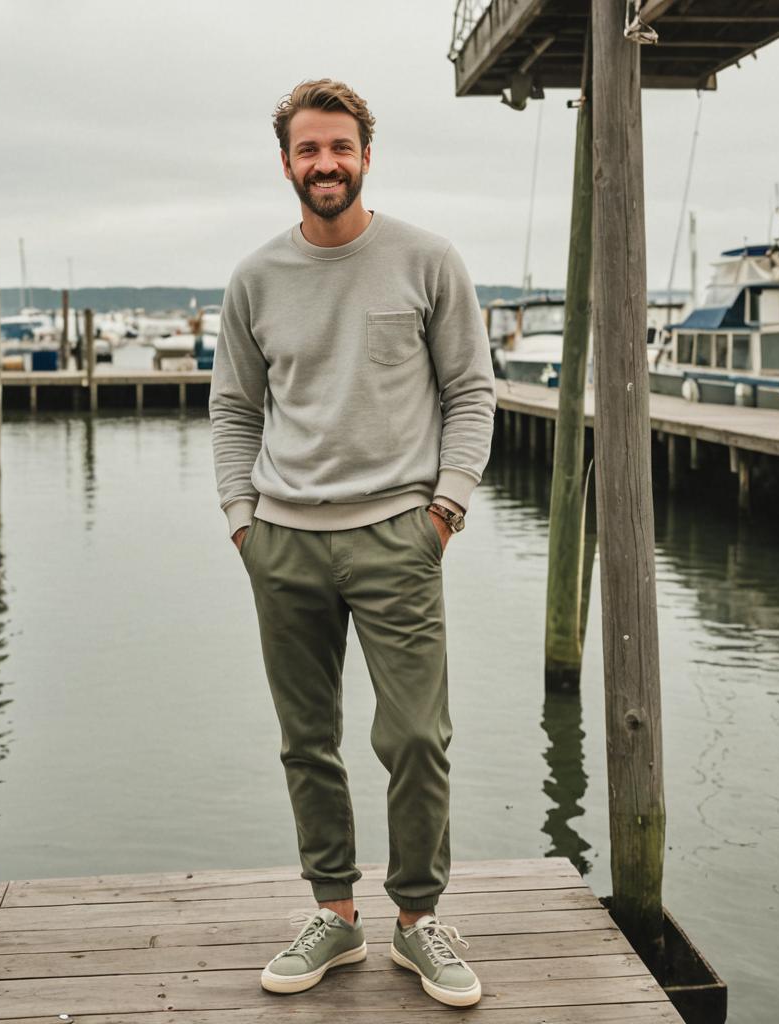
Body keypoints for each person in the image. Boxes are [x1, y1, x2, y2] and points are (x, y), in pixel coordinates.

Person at [208, 79, 495, 1008]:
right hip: (283, 541)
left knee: (416, 736)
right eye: (307, 150)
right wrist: (240, 519)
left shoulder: (427, 260)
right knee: (308, 741)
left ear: (367, 153)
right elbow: (233, 409)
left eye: (339, 147)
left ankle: (417, 922)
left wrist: (444, 509)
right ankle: (335, 912)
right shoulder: (254, 279)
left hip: (398, 536)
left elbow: (472, 392)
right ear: (286, 160)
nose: (324, 164)